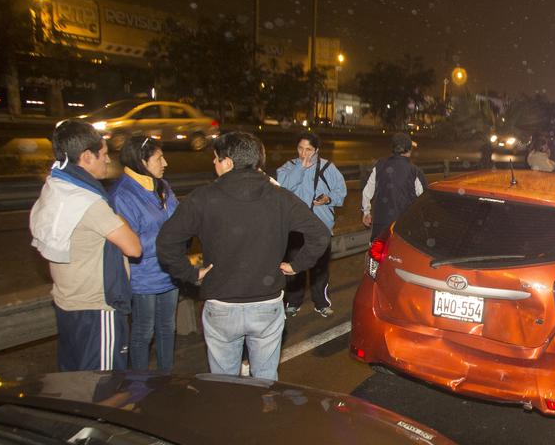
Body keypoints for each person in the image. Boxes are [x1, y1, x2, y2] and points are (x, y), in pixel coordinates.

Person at [156, 131, 330, 380]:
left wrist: (191, 273)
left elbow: (166, 242)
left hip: (221, 303)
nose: (213, 164)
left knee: (225, 383)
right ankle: (261, 415)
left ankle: (229, 416)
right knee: (265, 379)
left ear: (227, 162)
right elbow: (320, 234)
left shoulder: (203, 198)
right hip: (267, 303)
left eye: (216, 158)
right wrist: (295, 266)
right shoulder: (280, 198)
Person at [30, 120, 140, 371]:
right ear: (86, 157)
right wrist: (117, 216)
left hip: (68, 304)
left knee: (75, 381)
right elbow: (134, 248)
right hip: (97, 308)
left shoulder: (56, 187)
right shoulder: (89, 202)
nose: (108, 160)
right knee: (105, 384)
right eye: (103, 154)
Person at [110, 136, 179, 372]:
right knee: (143, 331)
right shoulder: (123, 195)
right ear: (142, 161)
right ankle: (139, 384)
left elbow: (178, 219)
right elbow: (130, 242)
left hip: (168, 272)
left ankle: (166, 377)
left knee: (167, 328)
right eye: (159, 158)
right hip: (142, 277)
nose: (165, 163)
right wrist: (169, 240)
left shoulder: (161, 186)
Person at [276, 132, 346, 318]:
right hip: (295, 228)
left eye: (308, 149)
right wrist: (300, 169)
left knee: (320, 269)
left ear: (316, 150)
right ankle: (293, 302)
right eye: (300, 148)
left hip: (320, 226)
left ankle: (321, 302)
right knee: (293, 266)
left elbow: (341, 193)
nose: (304, 153)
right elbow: (282, 188)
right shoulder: (288, 167)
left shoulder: (328, 168)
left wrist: (328, 199)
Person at [361, 132, 426, 238]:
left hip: (381, 225)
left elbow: (367, 191)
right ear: (409, 150)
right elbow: (424, 198)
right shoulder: (415, 171)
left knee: (378, 252)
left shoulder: (380, 165)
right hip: (404, 226)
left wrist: (366, 212)